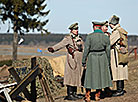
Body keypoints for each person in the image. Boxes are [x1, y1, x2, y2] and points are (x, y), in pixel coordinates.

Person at [48, 22, 84, 100]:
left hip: (79, 60)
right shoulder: (68, 38)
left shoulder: (79, 38)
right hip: (72, 60)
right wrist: (53, 49)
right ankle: (69, 94)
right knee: (71, 76)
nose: (76, 30)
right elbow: (60, 44)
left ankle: (75, 93)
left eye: (77, 29)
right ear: (71, 30)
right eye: (74, 29)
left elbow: (83, 48)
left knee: (76, 76)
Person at [82, 21, 112, 102]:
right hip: (103, 58)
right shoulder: (106, 37)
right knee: (100, 77)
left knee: (89, 77)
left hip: (92, 57)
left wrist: (83, 60)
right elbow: (108, 51)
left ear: (94, 27)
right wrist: (108, 61)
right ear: (100, 27)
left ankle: (87, 96)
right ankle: (97, 96)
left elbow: (86, 49)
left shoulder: (89, 36)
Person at [109, 15, 128, 97]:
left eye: (110, 24)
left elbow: (109, 42)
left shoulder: (116, 32)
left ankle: (119, 90)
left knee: (118, 72)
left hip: (117, 54)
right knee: (121, 72)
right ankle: (120, 89)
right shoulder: (122, 30)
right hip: (122, 54)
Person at [101, 21, 113, 97]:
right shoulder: (98, 35)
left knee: (107, 73)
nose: (106, 28)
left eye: (107, 27)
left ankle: (107, 88)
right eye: (105, 27)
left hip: (107, 55)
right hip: (101, 56)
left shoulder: (109, 35)